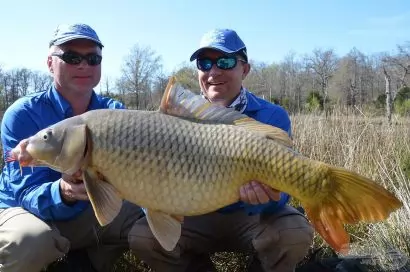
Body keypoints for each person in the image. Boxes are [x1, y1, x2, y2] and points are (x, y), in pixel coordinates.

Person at [129, 29, 315, 272]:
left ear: (245, 69)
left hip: (249, 218)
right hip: (191, 217)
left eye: (225, 62)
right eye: (204, 63)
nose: (213, 71)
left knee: (295, 233)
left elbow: (283, 193)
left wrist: (263, 200)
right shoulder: (174, 117)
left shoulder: (272, 116)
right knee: (143, 237)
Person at [0, 23, 144, 272]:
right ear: (49, 63)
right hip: (28, 213)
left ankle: (86, 262)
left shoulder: (116, 114)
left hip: (90, 210)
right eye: (71, 57)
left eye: (92, 58)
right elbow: (25, 193)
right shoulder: (22, 114)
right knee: (29, 241)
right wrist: (63, 192)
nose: (83, 65)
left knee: (148, 225)